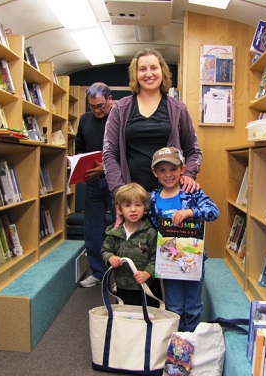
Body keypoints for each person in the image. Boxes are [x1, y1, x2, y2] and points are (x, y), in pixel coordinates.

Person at [103, 48, 203, 200]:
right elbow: (109, 154)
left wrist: (189, 174)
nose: (149, 73)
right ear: (135, 75)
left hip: (170, 196)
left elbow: (194, 151)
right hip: (132, 199)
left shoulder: (178, 109)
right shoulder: (120, 109)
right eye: (142, 69)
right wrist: (119, 192)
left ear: (162, 72)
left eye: (154, 68)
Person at [148, 147, 219, 332]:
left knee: (193, 304)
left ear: (182, 169)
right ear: (154, 173)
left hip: (193, 259)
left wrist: (191, 211)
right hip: (168, 262)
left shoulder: (192, 192)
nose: (168, 174)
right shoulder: (152, 199)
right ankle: (177, 343)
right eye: (162, 170)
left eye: (173, 169)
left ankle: (192, 340)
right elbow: (146, 224)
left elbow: (214, 211)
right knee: (174, 305)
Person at [76, 82, 116, 288]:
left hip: (115, 182)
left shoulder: (119, 117)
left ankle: (122, 277)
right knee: (92, 228)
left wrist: (106, 168)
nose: (96, 111)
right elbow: (79, 150)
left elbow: (127, 152)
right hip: (92, 182)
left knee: (120, 227)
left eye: (100, 106)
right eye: (92, 106)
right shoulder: (84, 120)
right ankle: (99, 273)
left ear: (110, 100)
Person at [101, 182, 160, 307]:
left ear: (145, 208)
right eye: (127, 205)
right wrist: (110, 257)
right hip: (123, 287)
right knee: (126, 318)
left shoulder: (150, 233)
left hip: (147, 287)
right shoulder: (114, 233)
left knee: (148, 319)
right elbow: (105, 250)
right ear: (119, 209)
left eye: (138, 205)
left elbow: (158, 256)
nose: (133, 209)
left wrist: (147, 273)